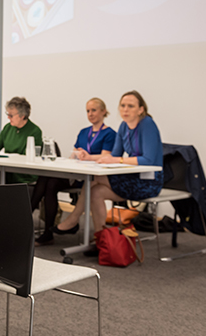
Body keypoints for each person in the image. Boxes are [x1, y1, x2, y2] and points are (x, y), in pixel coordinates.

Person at [56, 90, 163, 235]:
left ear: (141, 109)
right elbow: (114, 155)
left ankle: (73, 219)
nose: (125, 109)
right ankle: (102, 238)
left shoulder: (147, 124)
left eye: (130, 106)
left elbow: (148, 160)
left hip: (148, 181)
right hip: (132, 177)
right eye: (123, 105)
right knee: (95, 192)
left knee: (94, 179)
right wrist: (89, 157)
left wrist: (117, 160)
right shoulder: (123, 126)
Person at [33, 98, 117, 246]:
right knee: (47, 180)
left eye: (94, 110)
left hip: (91, 177)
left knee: (50, 183)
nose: (90, 114)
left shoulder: (110, 134)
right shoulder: (84, 132)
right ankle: (46, 231)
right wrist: (76, 155)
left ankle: (41, 225)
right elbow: (74, 153)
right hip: (76, 173)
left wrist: (88, 157)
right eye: (88, 111)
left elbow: (106, 156)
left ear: (103, 111)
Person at [0, 96, 42, 185]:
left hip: (22, 173)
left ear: (22, 116)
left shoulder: (35, 131)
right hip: (7, 169)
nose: (8, 117)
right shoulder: (8, 128)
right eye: (7, 114)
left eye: (11, 115)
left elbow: (29, 157)